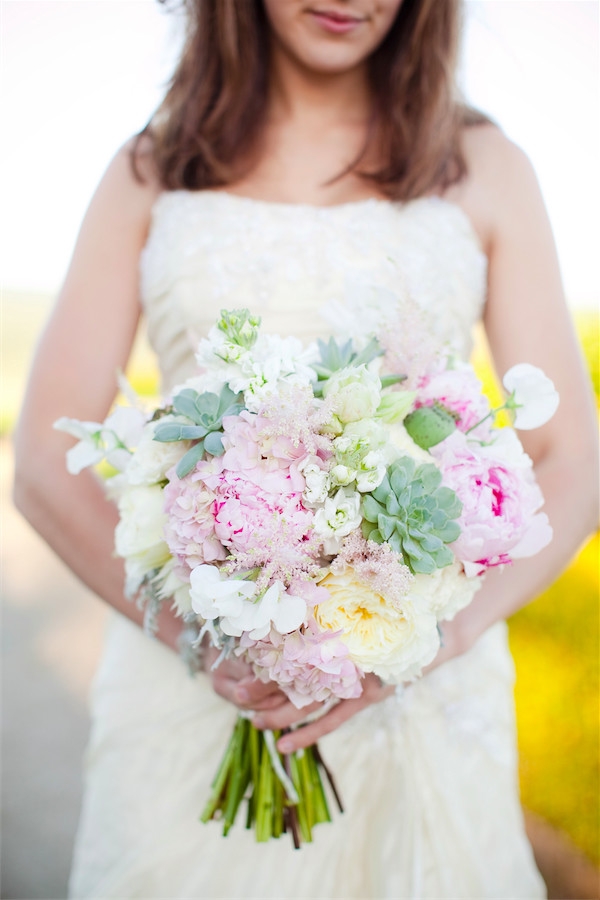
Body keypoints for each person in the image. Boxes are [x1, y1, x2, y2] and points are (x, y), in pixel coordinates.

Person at [13, 0, 598, 897]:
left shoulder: (485, 165)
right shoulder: (152, 168)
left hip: (424, 704)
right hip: (185, 693)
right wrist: (207, 647)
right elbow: (44, 465)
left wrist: (423, 643)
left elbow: (573, 461)